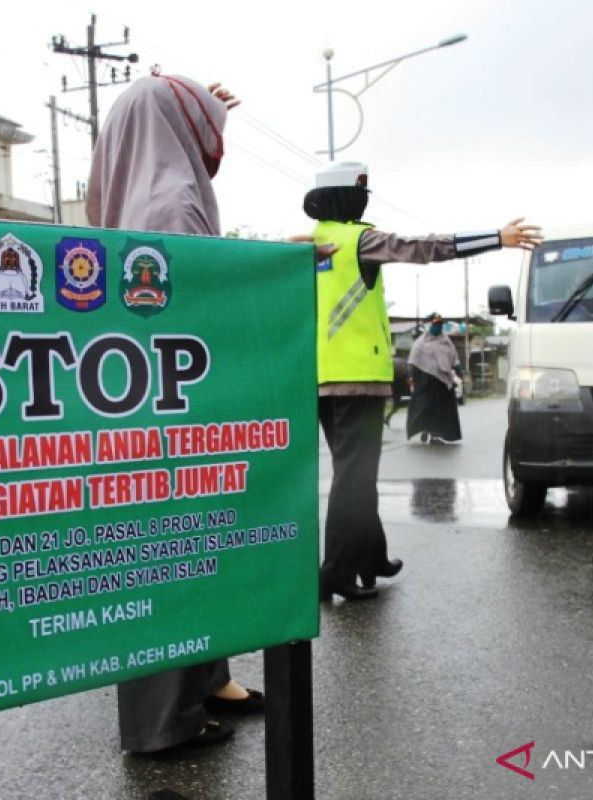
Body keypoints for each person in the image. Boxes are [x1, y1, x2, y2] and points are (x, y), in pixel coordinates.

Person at [85, 72, 262, 756]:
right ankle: (164, 724)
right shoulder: (175, 205)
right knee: (169, 560)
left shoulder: (121, 200)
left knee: (170, 555)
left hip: (131, 405)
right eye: (201, 125)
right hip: (175, 410)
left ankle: (207, 682)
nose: (211, 141)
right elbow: (201, 310)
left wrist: (190, 97)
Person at [305, 161, 541, 602]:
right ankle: (334, 572)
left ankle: (370, 556)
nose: (364, 201)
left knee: (352, 475)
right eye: (360, 193)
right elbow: (422, 247)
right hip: (358, 378)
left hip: (320, 378)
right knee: (354, 479)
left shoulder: (309, 243)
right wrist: (496, 238)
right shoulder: (359, 240)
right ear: (345, 198)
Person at [406, 313, 463, 444]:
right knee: (426, 408)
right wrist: (410, 377)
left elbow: (454, 359)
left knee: (440, 411)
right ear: (431, 325)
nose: (437, 327)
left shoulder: (446, 342)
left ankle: (435, 435)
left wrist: (459, 372)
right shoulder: (420, 343)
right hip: (426, 382)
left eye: (439, 325)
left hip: (442, 383)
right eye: (435, 324)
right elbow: (413, 361)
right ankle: (426, 430)